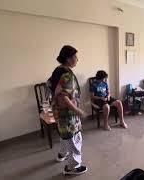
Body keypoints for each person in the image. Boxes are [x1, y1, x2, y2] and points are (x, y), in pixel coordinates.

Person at [51, 45, 87, 175]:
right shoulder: (67, 74)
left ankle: (62, 154)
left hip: (58, 112)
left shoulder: (57, 70)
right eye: (75, 57)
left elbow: (52, 90)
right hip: (68, 113)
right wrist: (77, 110)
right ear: (68, 58)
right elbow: (63, 97)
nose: (77, 59)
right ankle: (73, 167)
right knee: (75, 138)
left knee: (64, 134)